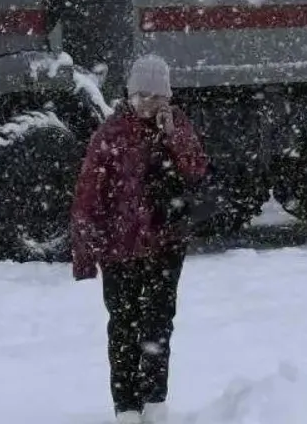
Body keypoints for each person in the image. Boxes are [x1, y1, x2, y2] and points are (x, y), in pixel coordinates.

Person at [71, 54, 209, 424]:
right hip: (121, 250)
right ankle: (127, 409)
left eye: (156, 95)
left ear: (167, 97)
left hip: (166, 245)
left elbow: (196, 170)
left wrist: (173, 136)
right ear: (130, 94)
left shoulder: (177, 128)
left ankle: (155, 403)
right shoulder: (110, 135)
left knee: (159, 325)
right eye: (142, 94)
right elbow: (88, 197)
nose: (148, 102)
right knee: (123, 326)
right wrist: (86, 253)